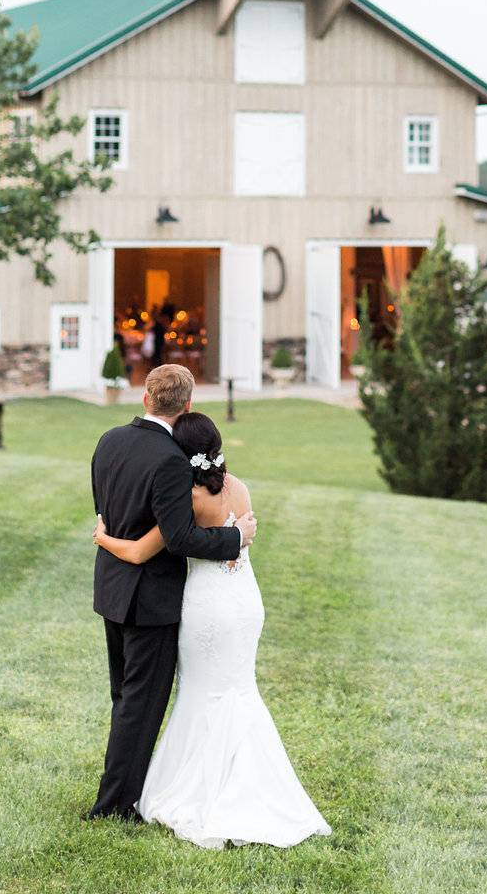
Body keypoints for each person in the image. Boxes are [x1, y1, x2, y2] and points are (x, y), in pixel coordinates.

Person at [94, 410, 331, 850]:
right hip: (244, 602)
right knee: (240, 689)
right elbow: (243, 532)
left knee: (201, 693)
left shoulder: (186, 496)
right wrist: (238, 536)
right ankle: (259, 787)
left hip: (206, 606)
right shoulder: (238, 485)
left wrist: (104, 538)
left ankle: (199, 790)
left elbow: (145, 550)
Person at [88, 364, 257, 822]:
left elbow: (106, 509)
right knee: (140, 706)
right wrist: (234, 538)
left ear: (145, 399)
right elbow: (179, 538)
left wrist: (107, 539)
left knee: (125, 699)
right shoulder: (170, 459)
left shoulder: (108, 441)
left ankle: (120, 793)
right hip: (151, 600)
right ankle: (115, 807)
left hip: (112, 589)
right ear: (187, 406)